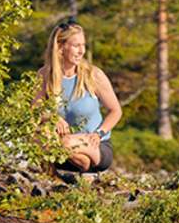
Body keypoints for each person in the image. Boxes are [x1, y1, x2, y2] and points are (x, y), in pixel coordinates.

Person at [38, 22, 120, 175]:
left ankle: (82, 164)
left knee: (65, 142)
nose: (82, 51)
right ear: (61, 47)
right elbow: (35, 111)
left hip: (96, 145)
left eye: (83, 45)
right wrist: (52, 118)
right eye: (76, 45)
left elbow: (115, 111)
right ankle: (82, 165)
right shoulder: (44, 75)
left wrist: (99, 133)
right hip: (63, 151)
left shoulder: (93, 75)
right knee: (37, 137)